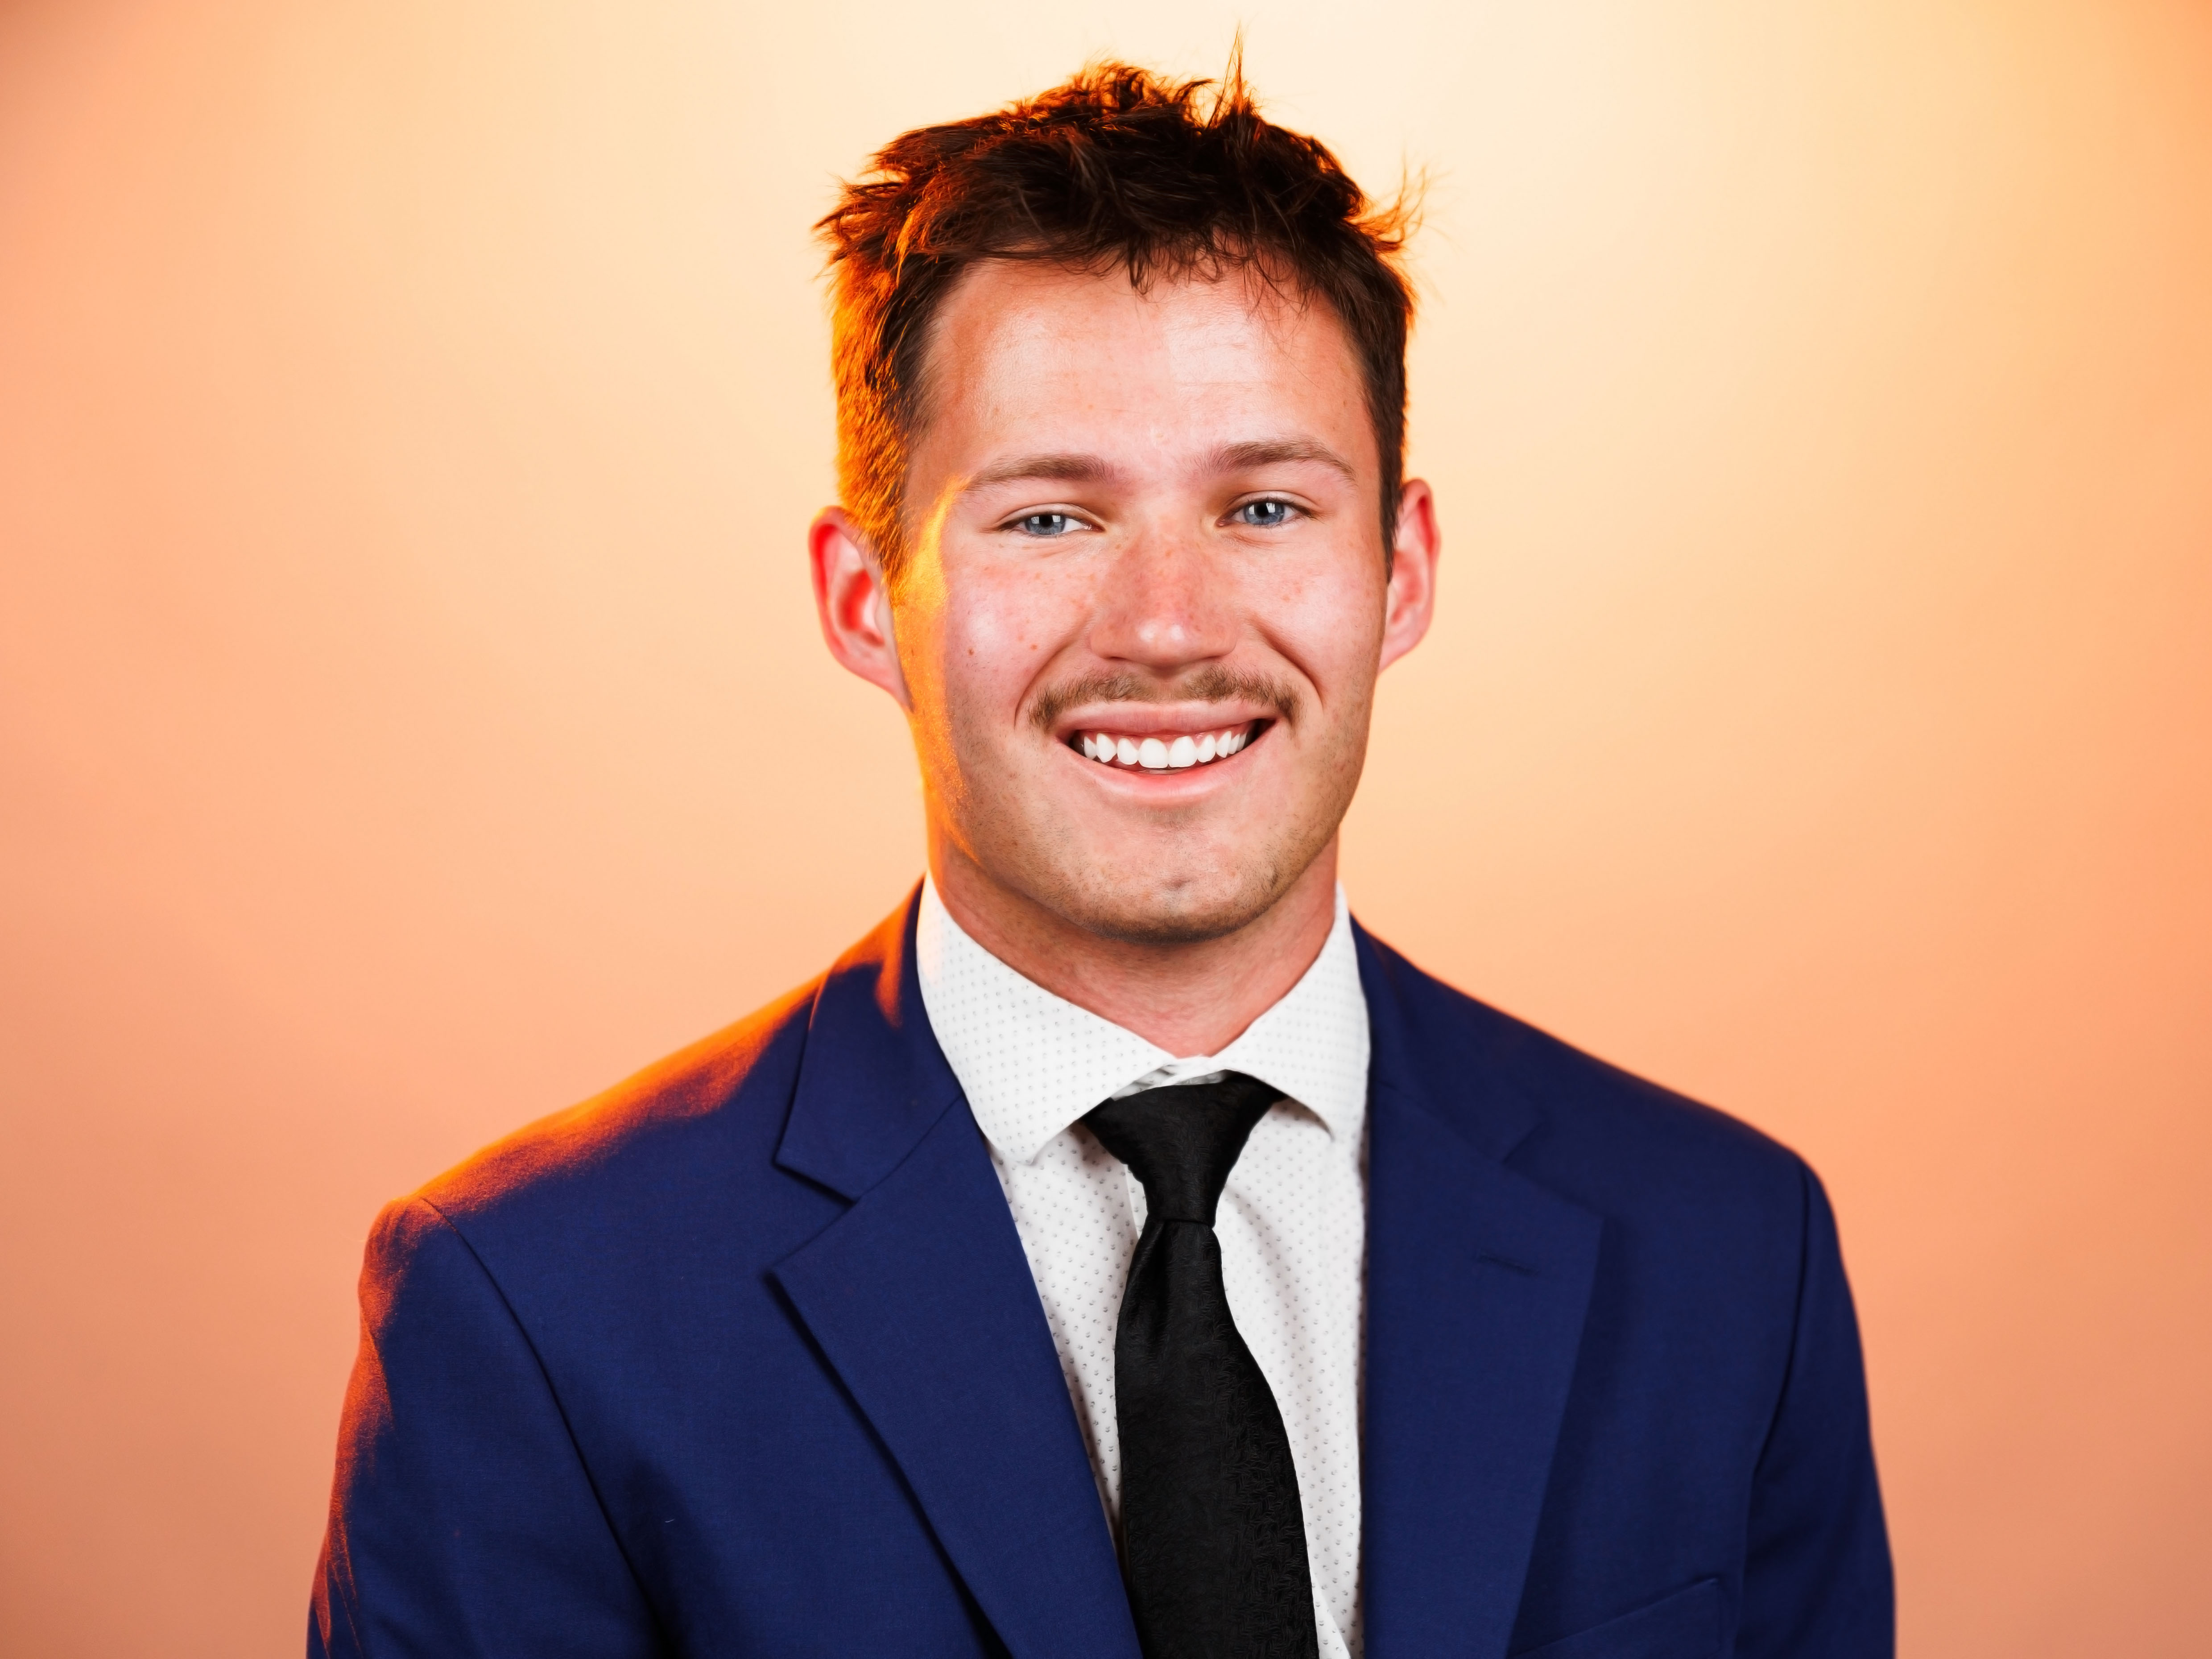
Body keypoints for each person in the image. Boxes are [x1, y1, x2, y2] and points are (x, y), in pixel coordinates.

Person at [310, 61, 1891, 1659]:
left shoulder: (1728, 1255)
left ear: (1400, 571)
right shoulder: (534, 1310)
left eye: (1266, 506)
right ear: (869, 600)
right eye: (1050, 520)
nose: (1168, 627)